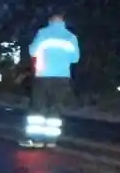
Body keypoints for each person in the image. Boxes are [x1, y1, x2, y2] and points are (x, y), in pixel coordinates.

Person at [24, 13, 80, 147]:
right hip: (62, 78)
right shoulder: (71, 37)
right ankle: (51, 141)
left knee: (38, 108)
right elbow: (75, 59)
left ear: (50, 21)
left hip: (43, 76)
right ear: (63, 22)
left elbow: (32, 52)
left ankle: (36, 140)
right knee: (56, 108)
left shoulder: (43, 33)